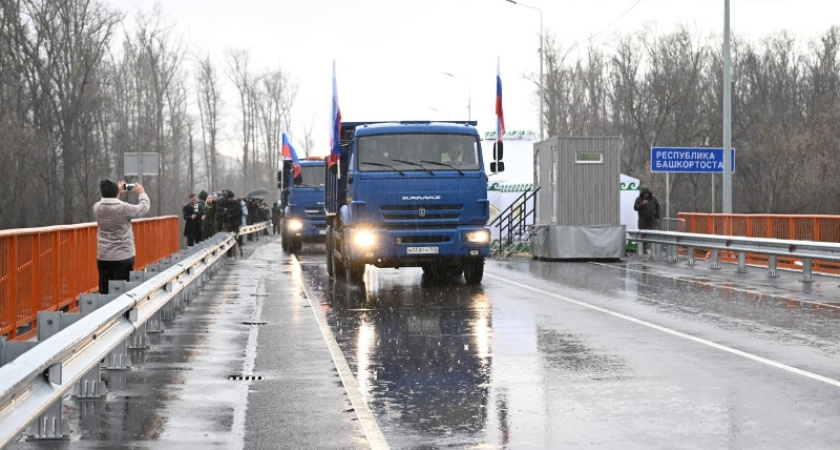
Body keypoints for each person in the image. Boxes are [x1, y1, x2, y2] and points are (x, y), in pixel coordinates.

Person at [93, 179, 150, 294]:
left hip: (104, 257)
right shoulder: (124, 208)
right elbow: (143, 208)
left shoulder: (97, 207)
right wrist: (142, 193)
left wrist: (116, 191)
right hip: (123, 256)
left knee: (105, 292)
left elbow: (111, 204)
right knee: (120, 292)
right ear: (115, 193)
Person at [634, 186, 661, 255]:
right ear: (642, 194)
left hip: (652, 220)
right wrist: (642, 204)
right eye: (644, 194)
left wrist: (657, 217)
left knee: (653, 234)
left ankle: (654, 249)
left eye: (647, 193)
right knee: (643, 235)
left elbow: (658, 207)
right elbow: (635, 207)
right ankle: (643, 249)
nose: (646, 195)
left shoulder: (653, 199)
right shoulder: (638, 199)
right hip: (643, 220)